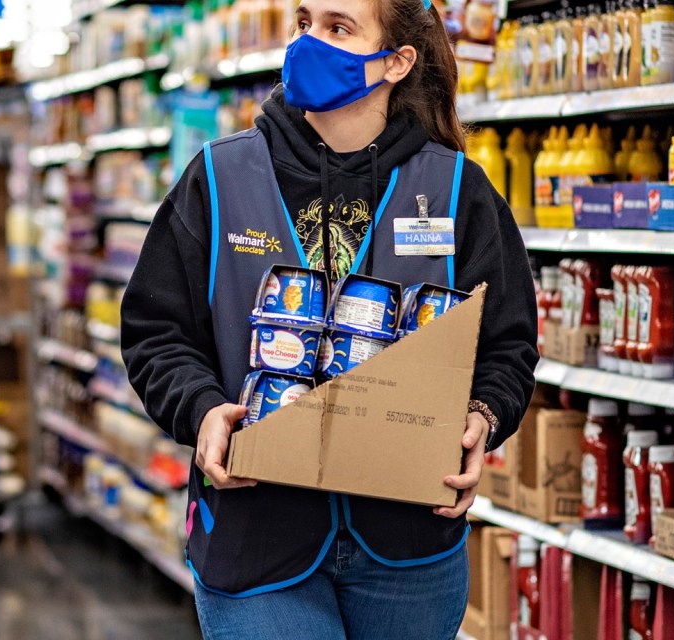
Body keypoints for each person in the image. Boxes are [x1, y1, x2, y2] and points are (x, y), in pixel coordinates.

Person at [120, 0, 538, 636]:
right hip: (257, 537)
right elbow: (156, 334)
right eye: (304, 21)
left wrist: (482, 418)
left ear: (397, 63)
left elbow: (508, 345)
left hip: (407, 548)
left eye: (338, 28)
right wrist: (203, 410)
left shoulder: (459, 192)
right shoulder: (219, 176)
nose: (309, 42)